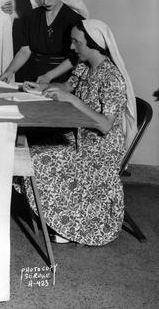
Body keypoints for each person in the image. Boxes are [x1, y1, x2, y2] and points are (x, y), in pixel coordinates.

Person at [19, 19, 136, 245]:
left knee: (40, 160)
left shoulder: (112, 78)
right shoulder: (85, 67)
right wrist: (41, 87)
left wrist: (72, 100)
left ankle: (69, 224)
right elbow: (67, 87)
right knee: (29, 152)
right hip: (80, 138)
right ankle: (53, 213)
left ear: (93, 44)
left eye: (76, 42)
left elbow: (105, 125)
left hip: (100, 149)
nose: (72, 47)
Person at [0, 0, 87, 83]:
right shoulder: (30, 16)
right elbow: (25, 50)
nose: (45, 1)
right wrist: (10, 71)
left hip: (62, 77)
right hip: (33, 73)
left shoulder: (74, 19)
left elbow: (74, 57)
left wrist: (49, 76)